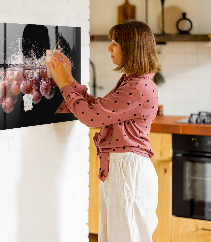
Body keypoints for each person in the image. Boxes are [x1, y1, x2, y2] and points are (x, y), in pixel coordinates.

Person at [48, 20, 160, 242]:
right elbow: (99, 109)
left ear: (131, 48)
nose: (109, 48)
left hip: (128, 172)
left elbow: (91, 117)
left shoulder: (137, 87)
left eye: (115, 43)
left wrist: (63, 83)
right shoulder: (133, 82)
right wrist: (69, 79)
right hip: (123, 169)